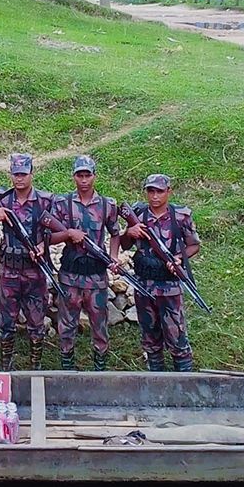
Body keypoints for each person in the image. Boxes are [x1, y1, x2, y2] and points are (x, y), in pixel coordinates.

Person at [0, 154, 53, 370]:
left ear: (32, 174)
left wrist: (44, 246)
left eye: (24, 174)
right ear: (11, 175)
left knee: (36, 322)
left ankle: (36, 367)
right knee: (7, 323)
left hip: (35, 270)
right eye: (16, 174)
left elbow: (58, 229)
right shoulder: (3, 198)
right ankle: (5, 367)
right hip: (9, 271)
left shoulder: (45, 200)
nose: (20, 179)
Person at [120, 174, 201, 372]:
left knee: (177, 336)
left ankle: (184, 381)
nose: (155, 196)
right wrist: (129, 232)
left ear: (169, 192)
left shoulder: (180, 216)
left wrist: (179, 259)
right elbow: (124, 244)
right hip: (144, 285)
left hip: (170, 287)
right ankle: (156, 378)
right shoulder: (137, 213)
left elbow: (193, 245)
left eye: (159, 191)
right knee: (150, 337)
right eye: (151, 191)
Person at [49, 155, 121, 371]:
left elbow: (116, 233)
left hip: (97, 276)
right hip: (70, 274)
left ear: (94, 176)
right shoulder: (63, 204)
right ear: (74, 177)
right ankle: (67, 367)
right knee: (67, 324)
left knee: (99, 325)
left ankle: (100, 369)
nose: (83, 180)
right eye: (79, 175)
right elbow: (48, 236)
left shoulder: (107, 205)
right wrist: (68, 233)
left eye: (87, 175)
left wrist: (114, 256)